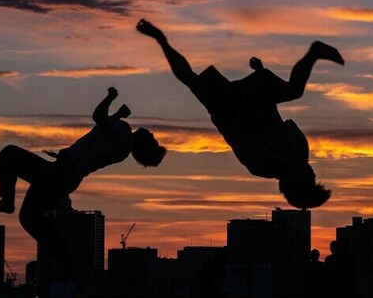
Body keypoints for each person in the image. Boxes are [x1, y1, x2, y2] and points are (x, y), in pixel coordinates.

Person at [136, 19, 342, 209]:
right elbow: (279, 121)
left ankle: (161, 40)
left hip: (230, 108)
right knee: (293, 91)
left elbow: (241, 136)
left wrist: (257, 84)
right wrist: (260, 76)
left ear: (296, 182)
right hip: (246, 103)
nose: (313, 174)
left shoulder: (267, 164)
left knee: (190, 79)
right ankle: (314, 53)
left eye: (311, 180)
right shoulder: (297, 153)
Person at [0, 87, 166, 278]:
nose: (151, 133)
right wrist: (117, 115)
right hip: (67, 177)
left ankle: (10, 203)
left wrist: (110, 97)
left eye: (152, 139)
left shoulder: (124, 132)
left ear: (144, 144)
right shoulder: (123, 143)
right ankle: (66, 262)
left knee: (9, 154)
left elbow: (98, 116)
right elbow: (101, 132)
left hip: (61, 172)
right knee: (30, 218)